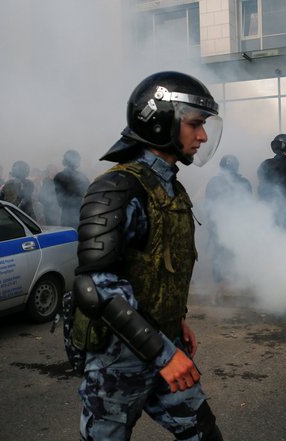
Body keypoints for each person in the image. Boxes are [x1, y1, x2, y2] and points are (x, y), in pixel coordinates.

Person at [68, 71, 224, 441]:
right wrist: (164, 354)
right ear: (159, 123)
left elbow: (159, 269)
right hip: (118, 361)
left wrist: (175, 320)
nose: (202, 136)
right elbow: (94, 286)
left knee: (203, 433)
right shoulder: (117, 187)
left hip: (163, 343)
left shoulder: (169, 187)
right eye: (194, 125)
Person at [205, 154, 252, 298]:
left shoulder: (214, 182)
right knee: (233, 252)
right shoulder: (243, 182)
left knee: (221, 252)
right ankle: (230, 282)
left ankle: (221, 282)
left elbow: (209, 204)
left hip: (222, 222)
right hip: (229, 223)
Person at [54, 149, 90, 229]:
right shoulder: (60, 176)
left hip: (79, 212)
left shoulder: (81, 176)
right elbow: (61, 200)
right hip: (70, 214)